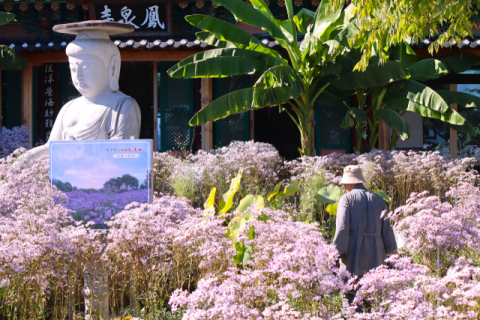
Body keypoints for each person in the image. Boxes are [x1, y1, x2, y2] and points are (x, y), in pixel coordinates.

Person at [22, 21, 141, 163]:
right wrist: (25, 159)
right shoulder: (68, 108)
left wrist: (73, 154)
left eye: (86, 68)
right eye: (73, 68)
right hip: (65, 178)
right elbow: (52, 147)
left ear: (113, 67)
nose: (78, 76)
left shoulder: (122, 106)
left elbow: (121, 155)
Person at [332, 165, 397, 312]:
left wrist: (335, 255)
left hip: (354, 255)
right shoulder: (379, 200)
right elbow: (387, 230)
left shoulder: (346, 199)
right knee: (372, 299)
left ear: (349, 182)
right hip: (376, 254)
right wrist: (393, 254)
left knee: (351, 298)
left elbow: (342, 228)